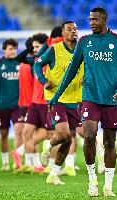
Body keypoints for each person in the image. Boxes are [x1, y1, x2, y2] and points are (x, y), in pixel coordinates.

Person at [48, 7, 117, 196]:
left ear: (104, 20)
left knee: (110, 142)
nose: (91, 22)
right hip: (90, 98)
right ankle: (92, 180)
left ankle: (108, 186)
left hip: (112, 99)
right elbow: (71, 72)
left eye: (94, 19)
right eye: (90, 19)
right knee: (89, 136)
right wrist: (56, 97)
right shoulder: (85, 42)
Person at [35, 21, 83, 184]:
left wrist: (86, 78)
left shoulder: (82, 50)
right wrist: (43, 80)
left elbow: (88, 71)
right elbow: (37, 64)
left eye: (75, 29)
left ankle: (53, 175)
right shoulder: (55, 49)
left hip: (74, 100)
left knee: (69, 140)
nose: (73, 31)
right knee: (63, 135)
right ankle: (47, 146)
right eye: (69, 29)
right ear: (63, 33)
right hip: (55, 98)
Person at [12, 33, 49, 173]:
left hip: (46, 103)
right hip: (34, 103)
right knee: (28, 132)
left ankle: (29, 158)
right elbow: (18, 58)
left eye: (37, 46)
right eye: (33, 47)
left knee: (48, 134)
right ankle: (30, 163)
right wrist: (31, 49)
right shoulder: (35, 61)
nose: (34, 49)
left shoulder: (52, 59)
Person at [0, 39, 23, 171]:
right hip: (2, 105)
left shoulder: (20, 62)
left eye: (15, 49)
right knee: (3, 134)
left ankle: (17, 160)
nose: (13, 51)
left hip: (18, 105)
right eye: (10, 49)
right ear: (4, 50)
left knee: (19, 130)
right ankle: (5, 162)